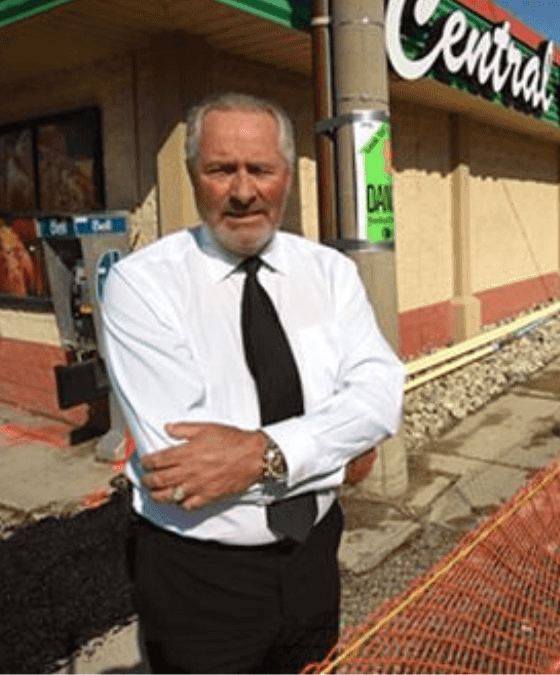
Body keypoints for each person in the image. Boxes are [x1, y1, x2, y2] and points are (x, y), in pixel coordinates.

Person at [100, 92, 405, 673]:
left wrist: (261, 453)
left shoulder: (331, 273)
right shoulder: (141, 285)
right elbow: (185, 468)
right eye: (221, 170)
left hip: (314, 556)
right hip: (198, 578)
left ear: (287, 174)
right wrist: (337, 457)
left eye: (260, 169)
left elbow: (379, 392)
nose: (243, 192)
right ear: (195, 175)